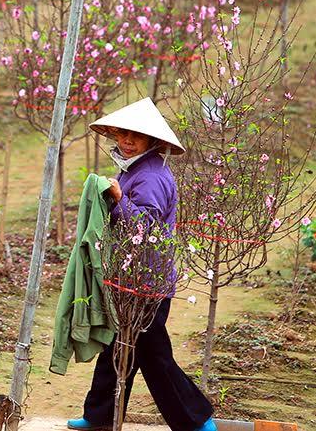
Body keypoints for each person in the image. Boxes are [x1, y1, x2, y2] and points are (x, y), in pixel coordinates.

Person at [67, 97, 217, 431]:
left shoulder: (150, 176)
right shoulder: (135, 168)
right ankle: (99, 416)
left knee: (153, 356)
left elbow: (145, 228)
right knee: (117, 349)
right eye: (122, 134)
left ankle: (196, 420)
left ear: (152, 141)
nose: (127, 141)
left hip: (146, 282)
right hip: (132, 278)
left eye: (135, 136)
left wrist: (119, 199)